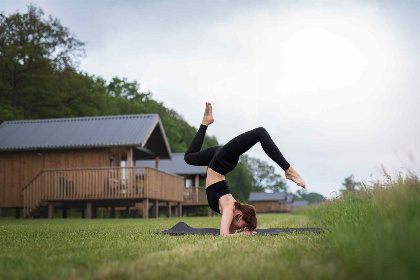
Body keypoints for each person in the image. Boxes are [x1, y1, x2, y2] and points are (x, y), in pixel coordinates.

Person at [184, 102, 306, 237]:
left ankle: (205, 122)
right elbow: (225, 236)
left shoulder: (230, 209)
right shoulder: (230, 207)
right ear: (240, 216)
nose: (242, 229)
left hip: (218, 161)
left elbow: (226, 233)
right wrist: (243, 234)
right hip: (221, 162)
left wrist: (237, 232)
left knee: (189, 157)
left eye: (243, 229)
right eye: (244, 227)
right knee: (260, 132)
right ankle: (288, 169)